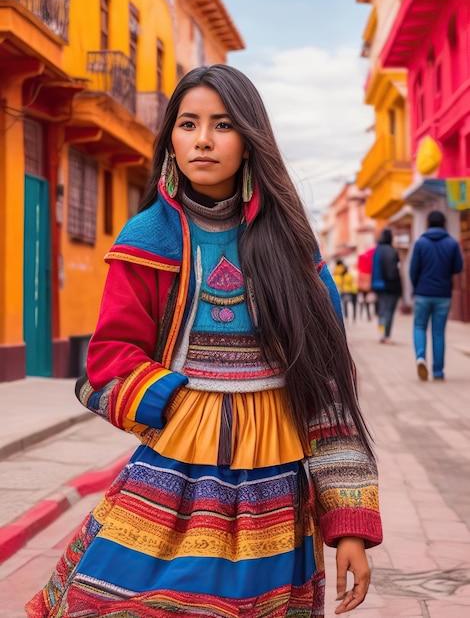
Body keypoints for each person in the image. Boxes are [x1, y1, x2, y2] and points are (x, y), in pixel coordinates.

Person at [27, 64, 382, 617]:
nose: (203, 140)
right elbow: (106, 362)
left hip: (276, 489)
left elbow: (328, 387)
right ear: (171, 137)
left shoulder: (293, 250)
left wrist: (349, 525)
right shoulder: (147, 239)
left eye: (222, 125)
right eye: (188, 124)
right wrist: (178, 404)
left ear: (250, 139)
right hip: (172, 476)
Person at [409, 210, 463, 381]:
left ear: (428, 224)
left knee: (419, 326)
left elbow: (413, 270)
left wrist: (416, 286)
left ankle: (420, 358)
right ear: (444, 224)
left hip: (423, 293)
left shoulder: (420, 243)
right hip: (443, 294)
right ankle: (438, 371)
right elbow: (458, 268)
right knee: (438, 332)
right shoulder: (452, 243)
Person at [371, 228, 402, 344]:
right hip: (390, 286)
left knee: (382, 310)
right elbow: (392, 271)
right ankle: (386, 335)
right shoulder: (391, 251)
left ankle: (381, 332)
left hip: (378, 285)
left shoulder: (377, 250)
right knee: (389, 311)